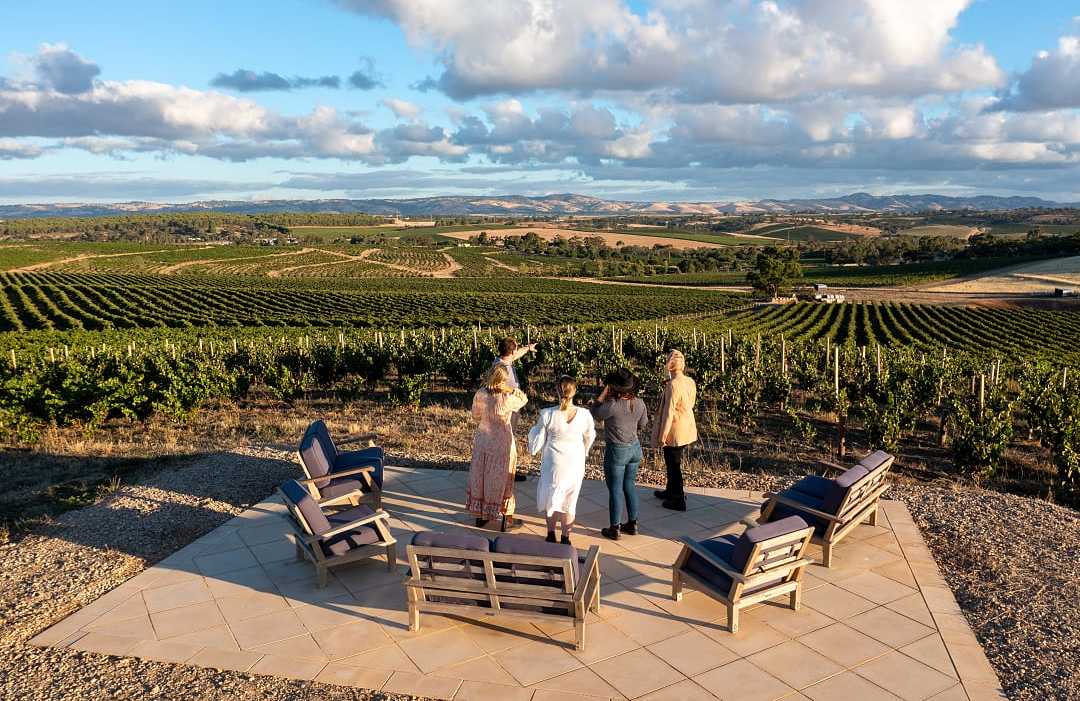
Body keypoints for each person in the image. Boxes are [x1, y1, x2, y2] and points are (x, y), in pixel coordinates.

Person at [528, 376, 595, 545]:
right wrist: (584, 451)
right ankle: (566, 537)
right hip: (575, 462)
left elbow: (537, 439)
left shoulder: (547, 414)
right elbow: (590, 436)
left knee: (552, 497)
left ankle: (551, 534)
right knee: (570, 500)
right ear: (574, 392)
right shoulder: (585, 414)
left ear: (557, 392)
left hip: (553, 462)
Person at [466, 364, 529, 531]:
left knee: (482, 476)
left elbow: (475, 415)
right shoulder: (507, 397)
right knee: (505, 479)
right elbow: (524, 399)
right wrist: (510, 388)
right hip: (502, 442)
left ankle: (481, 516)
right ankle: (506, 519)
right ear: (503, 380)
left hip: (483, 440)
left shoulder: (481, 394)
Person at [591, 368, 648, 540]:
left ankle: (614, 528)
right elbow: (643, 424)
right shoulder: (640, 402)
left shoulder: (612, 405)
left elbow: (595, 413)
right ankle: (633, 523)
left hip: (617, 450)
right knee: (629, 486)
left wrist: (601, 396)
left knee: (615, 489)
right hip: (635, 448)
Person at [651, 349, 698, 511]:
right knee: (673, 462)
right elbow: (691, 404)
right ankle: (670, 491)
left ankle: (678, 499)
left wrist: (662, 436)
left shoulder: (672, 385)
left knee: (673, 464)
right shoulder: (690, 381)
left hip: (675, 430)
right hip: (687, 427)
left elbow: (669, 412)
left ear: (669, 366)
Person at [493, 337, 537, 482]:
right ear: (510, 351)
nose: (516, 351)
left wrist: (528, 348)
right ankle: (505, 472)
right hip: (506, 410)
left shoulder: (504, 361)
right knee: (506, 441)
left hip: (511, 408)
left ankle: (507, 470)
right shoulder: (501, 367)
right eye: (515, 349)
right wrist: (515, 392)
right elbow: (498, 387)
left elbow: (516, 355)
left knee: (509, 439)